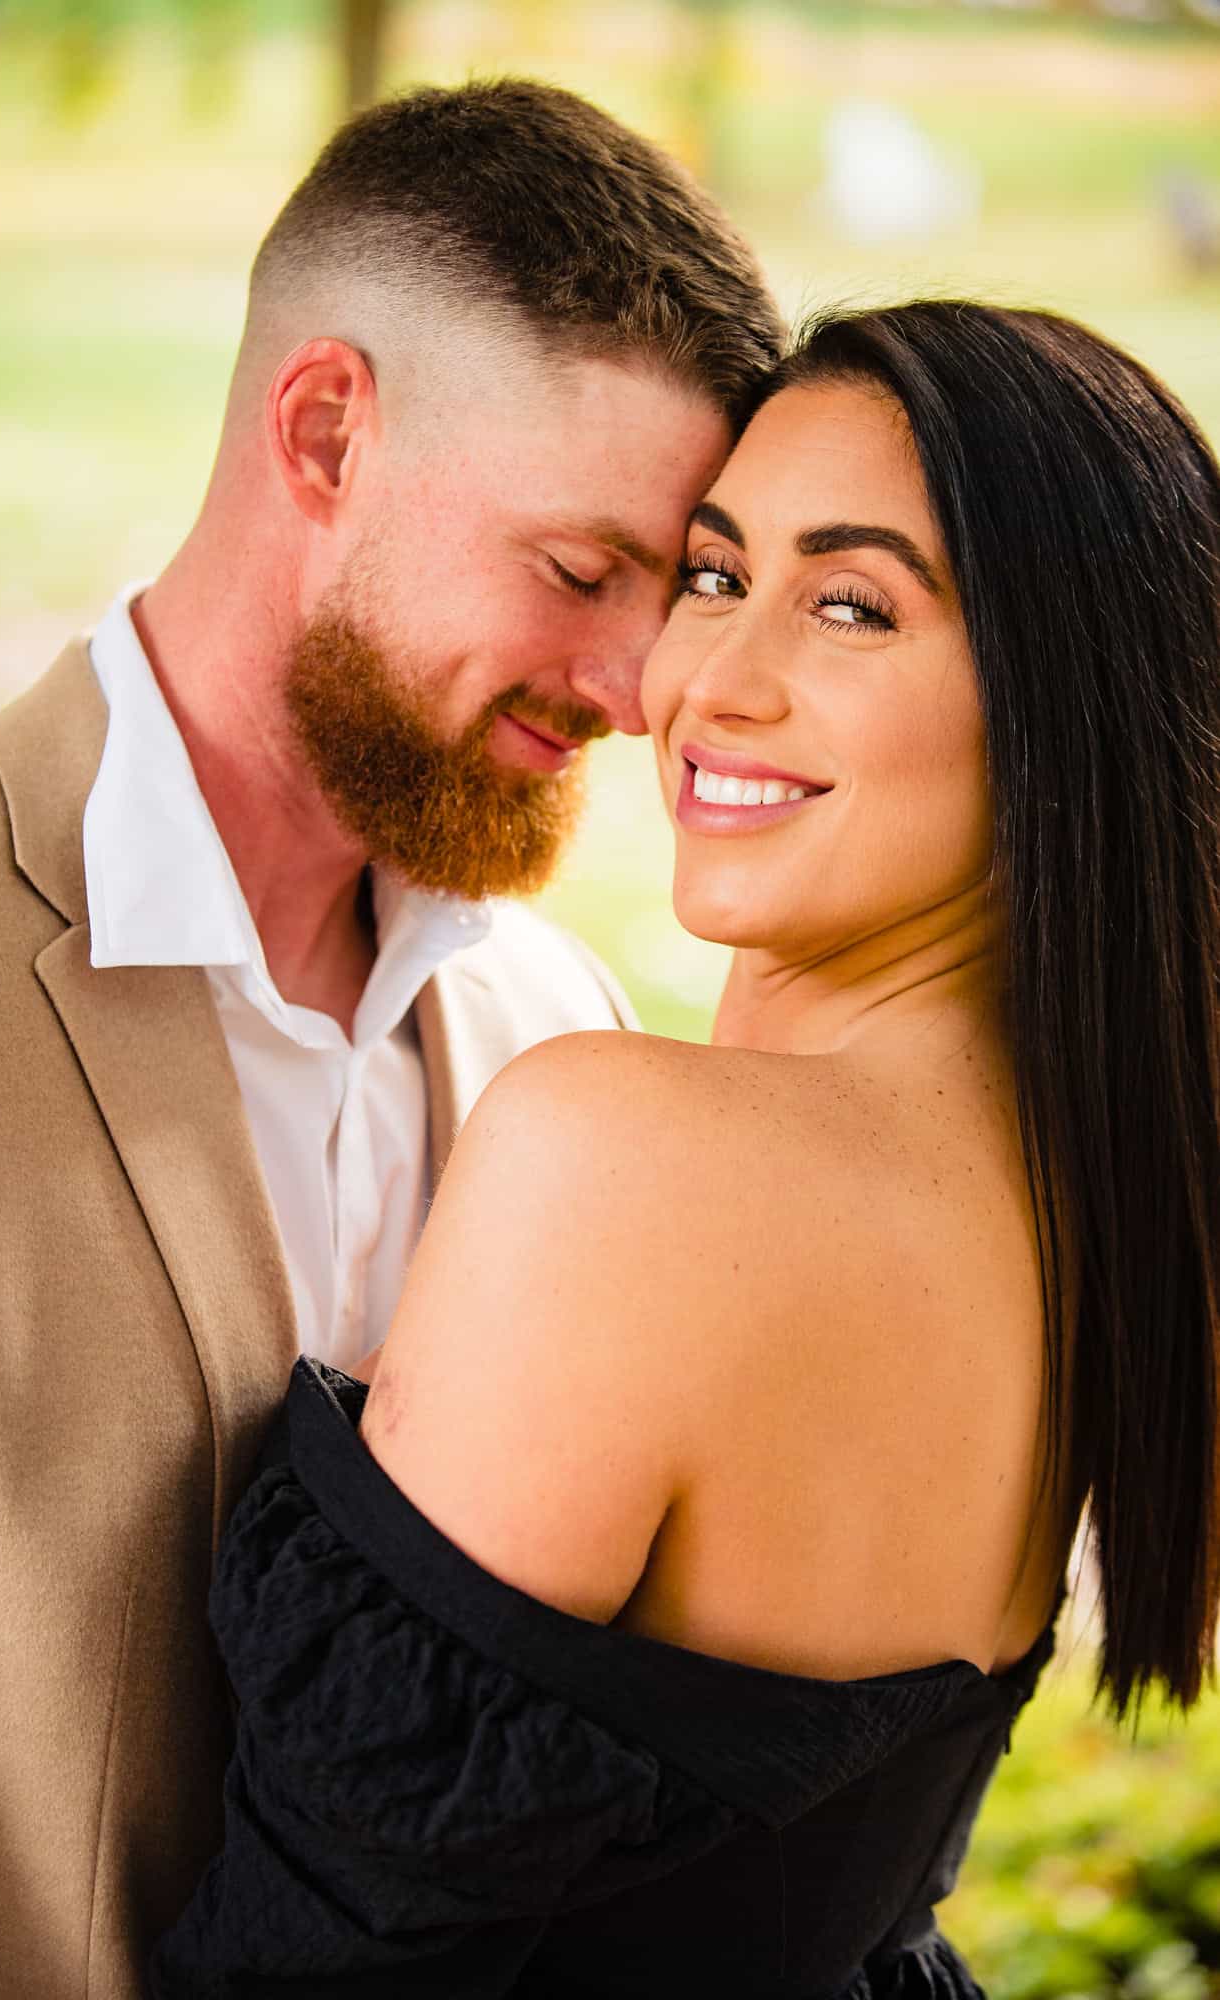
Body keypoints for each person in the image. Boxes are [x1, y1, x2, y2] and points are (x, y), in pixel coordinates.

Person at [152, 301, 1220, 1997]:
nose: (705, 687)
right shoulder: (1104, 1210)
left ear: (1060, 700)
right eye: (715, 577)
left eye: (853, 605)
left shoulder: (627, 1155)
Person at [0, 82, 783, 1999]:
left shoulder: (567, 1034)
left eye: (678, 586)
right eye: (577, 573)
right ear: (323, 434)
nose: (643, 691)